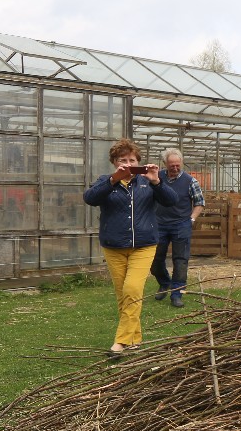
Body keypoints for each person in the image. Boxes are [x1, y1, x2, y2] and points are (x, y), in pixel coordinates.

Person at [83, 138, 178, 356]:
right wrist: (113, 180)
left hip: (144, 246)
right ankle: (134, 340)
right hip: (114, 246)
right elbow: (90, 198)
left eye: (132, 160)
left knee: (132, 289)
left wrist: (157, 182)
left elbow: (171, 200)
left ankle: (121, 342)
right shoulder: (106, 181)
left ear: (138, 162)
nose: (127, 164)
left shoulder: (147, 181)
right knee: (123, 295)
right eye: (122, 160)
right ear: (114, 162)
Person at [150, 148, 205, 308]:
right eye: (171, 165)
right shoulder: (156, 177)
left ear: (181, 162)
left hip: (181, 224)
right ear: (165, 164)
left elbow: (200, 202)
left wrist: (192, 219)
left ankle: (177, 293)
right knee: (155, 258)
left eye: (177, 165)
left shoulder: (190, 181)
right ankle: (164, 282)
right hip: (159, 224)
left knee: (180, 260)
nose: (175, 168)